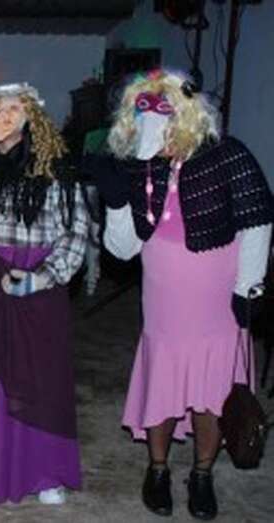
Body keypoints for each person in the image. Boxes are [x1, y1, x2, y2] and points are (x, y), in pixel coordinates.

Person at [97, 69, 274, 520]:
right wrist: (115, 200)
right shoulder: (142, 167)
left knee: (212, 390)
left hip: (218, 296)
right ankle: (157, 470)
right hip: (163, 299)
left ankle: (201, 473)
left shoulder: (227, 155)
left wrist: (247, 286)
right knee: (164, 381)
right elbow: (122, 249)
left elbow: (257, 219)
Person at [0, 83, 88, 505]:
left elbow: (77, 233)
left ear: (31, 114)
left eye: (15, 108)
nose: (5, 116)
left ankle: (44, 472)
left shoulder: (55, 169)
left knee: (40, 379)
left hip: (38, 289)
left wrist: (44, 277)